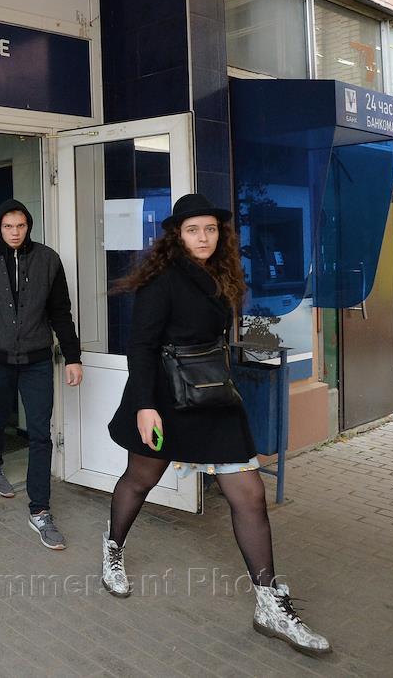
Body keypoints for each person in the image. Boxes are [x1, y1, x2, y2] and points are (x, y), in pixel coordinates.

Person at [101, 193, 331, 656]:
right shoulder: (162, 280)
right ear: (177, 236)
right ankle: (112, 549)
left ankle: (269, 604)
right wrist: (145, 406)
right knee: (141, 479)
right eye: (192, 230)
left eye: (209, 229)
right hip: (165, 399)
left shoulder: (222, 275)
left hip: (213, 397)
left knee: (250, 495)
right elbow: (141, 346)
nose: (202, 237)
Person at [0, 199, 83, 550]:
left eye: (20, 226)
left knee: (40, 432)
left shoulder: (48, 260)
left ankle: (40, 510)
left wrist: (73, 357)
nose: (14, 233)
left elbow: (61, 311)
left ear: (28, 226)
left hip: (37, 359)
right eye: (8, 227)